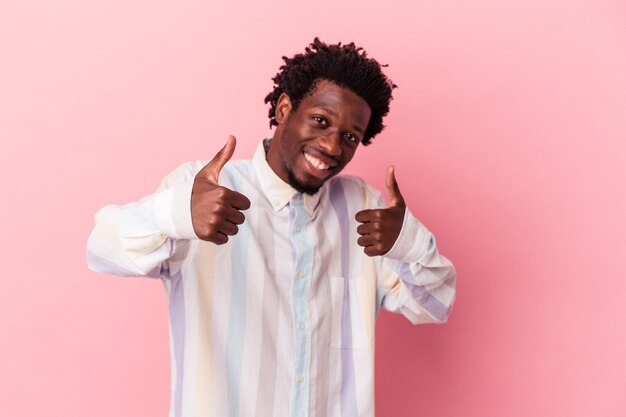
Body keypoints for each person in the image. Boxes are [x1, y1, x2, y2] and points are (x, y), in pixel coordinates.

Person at [87, 38, 456, 417]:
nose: (332, 146)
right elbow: (101, 248)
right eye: (320, 120)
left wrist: (407, 243)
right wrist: (177, 214)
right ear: (284, 109)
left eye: (350, 137)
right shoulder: (203, 192)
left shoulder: (365, 208)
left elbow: (436, 305)